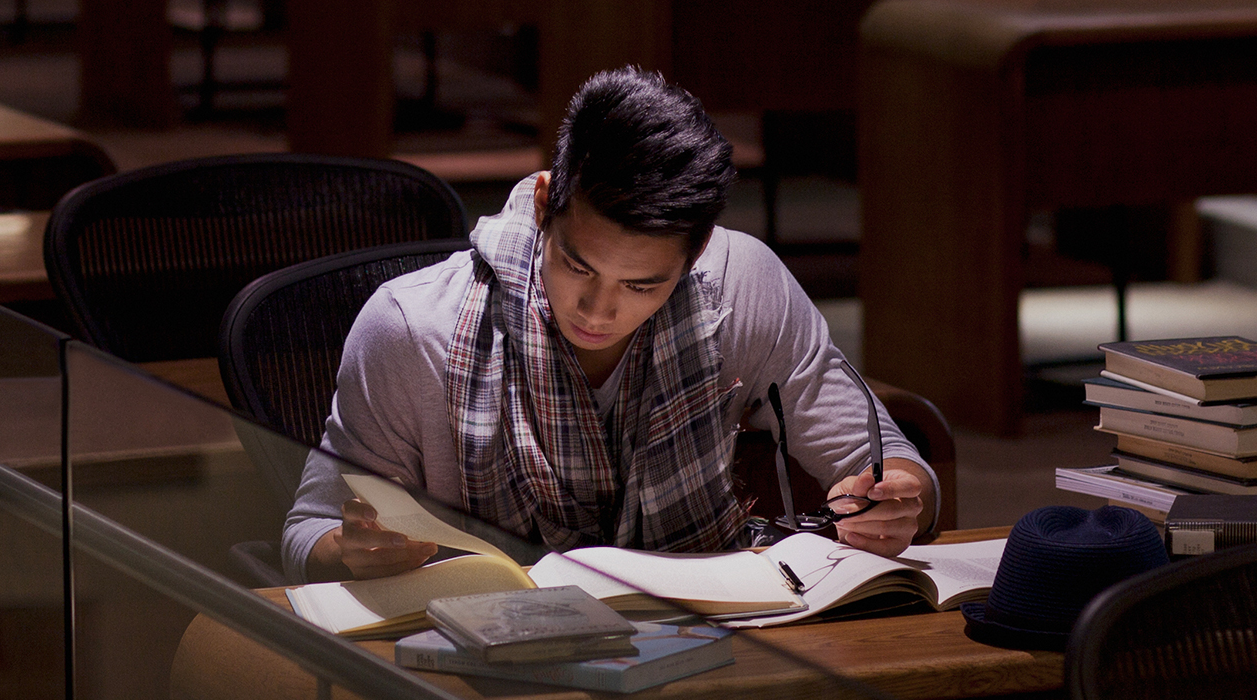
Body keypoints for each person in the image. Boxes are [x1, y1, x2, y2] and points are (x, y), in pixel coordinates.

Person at [281, 67, 938, 583]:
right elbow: (307, 531)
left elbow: (890, 466)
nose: (597, 312)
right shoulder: (412, 327)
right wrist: (349, 549)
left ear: (697, 250)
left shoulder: (740, 283)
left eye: (641, 285)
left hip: (708, 631)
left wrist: (897, 500)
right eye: (577, 266)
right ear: (543, 203)